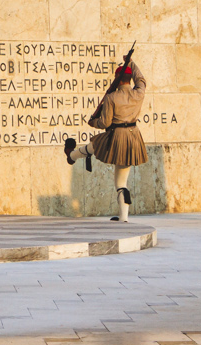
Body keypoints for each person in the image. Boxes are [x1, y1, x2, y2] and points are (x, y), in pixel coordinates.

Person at [63, 56, 147, 222]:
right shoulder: (139, 93)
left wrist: (93, 122)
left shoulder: (112, 97)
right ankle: (124, 218)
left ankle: (72, 156)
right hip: (133, 136)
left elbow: (105, 123)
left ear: (117, 79)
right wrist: (131, 63)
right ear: (129, 79)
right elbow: (141, 79)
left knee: (96, 144)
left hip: (116, 136)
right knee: (121, 182)